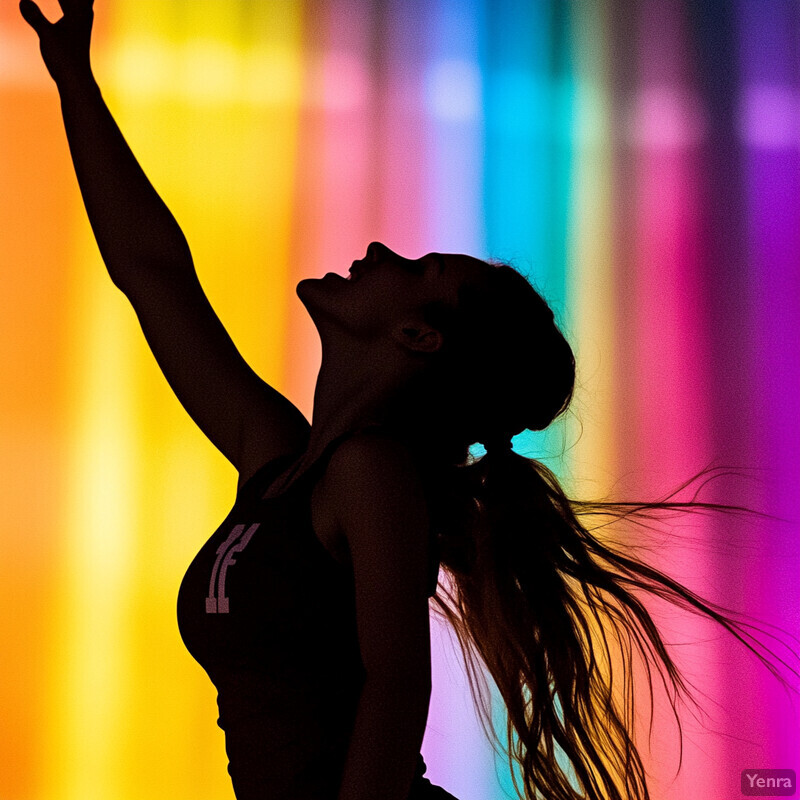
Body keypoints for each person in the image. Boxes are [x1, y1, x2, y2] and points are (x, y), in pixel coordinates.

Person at [21, 2, 798, 800]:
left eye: (419, 268)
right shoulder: (284, 463)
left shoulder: (370, 473)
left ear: (419, 337)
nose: (385, 252)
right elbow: (153, 277)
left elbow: (396, 697)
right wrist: (75, 80)